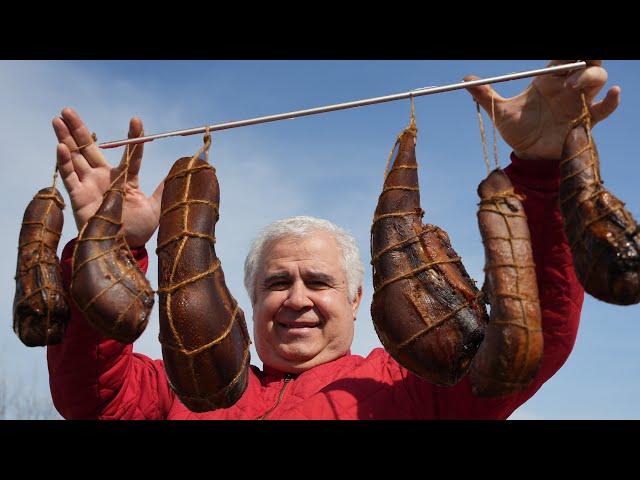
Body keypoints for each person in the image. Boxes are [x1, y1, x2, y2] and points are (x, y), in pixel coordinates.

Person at [47, 60, 620, 419]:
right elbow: (91, 397)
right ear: (244, 303)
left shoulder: (419, 390)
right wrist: (108, 245)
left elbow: (528, 346)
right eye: (277, 282)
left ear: (354, 300)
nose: (296, 298)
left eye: (317, 281)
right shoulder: (185, 393)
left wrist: (542, 173)